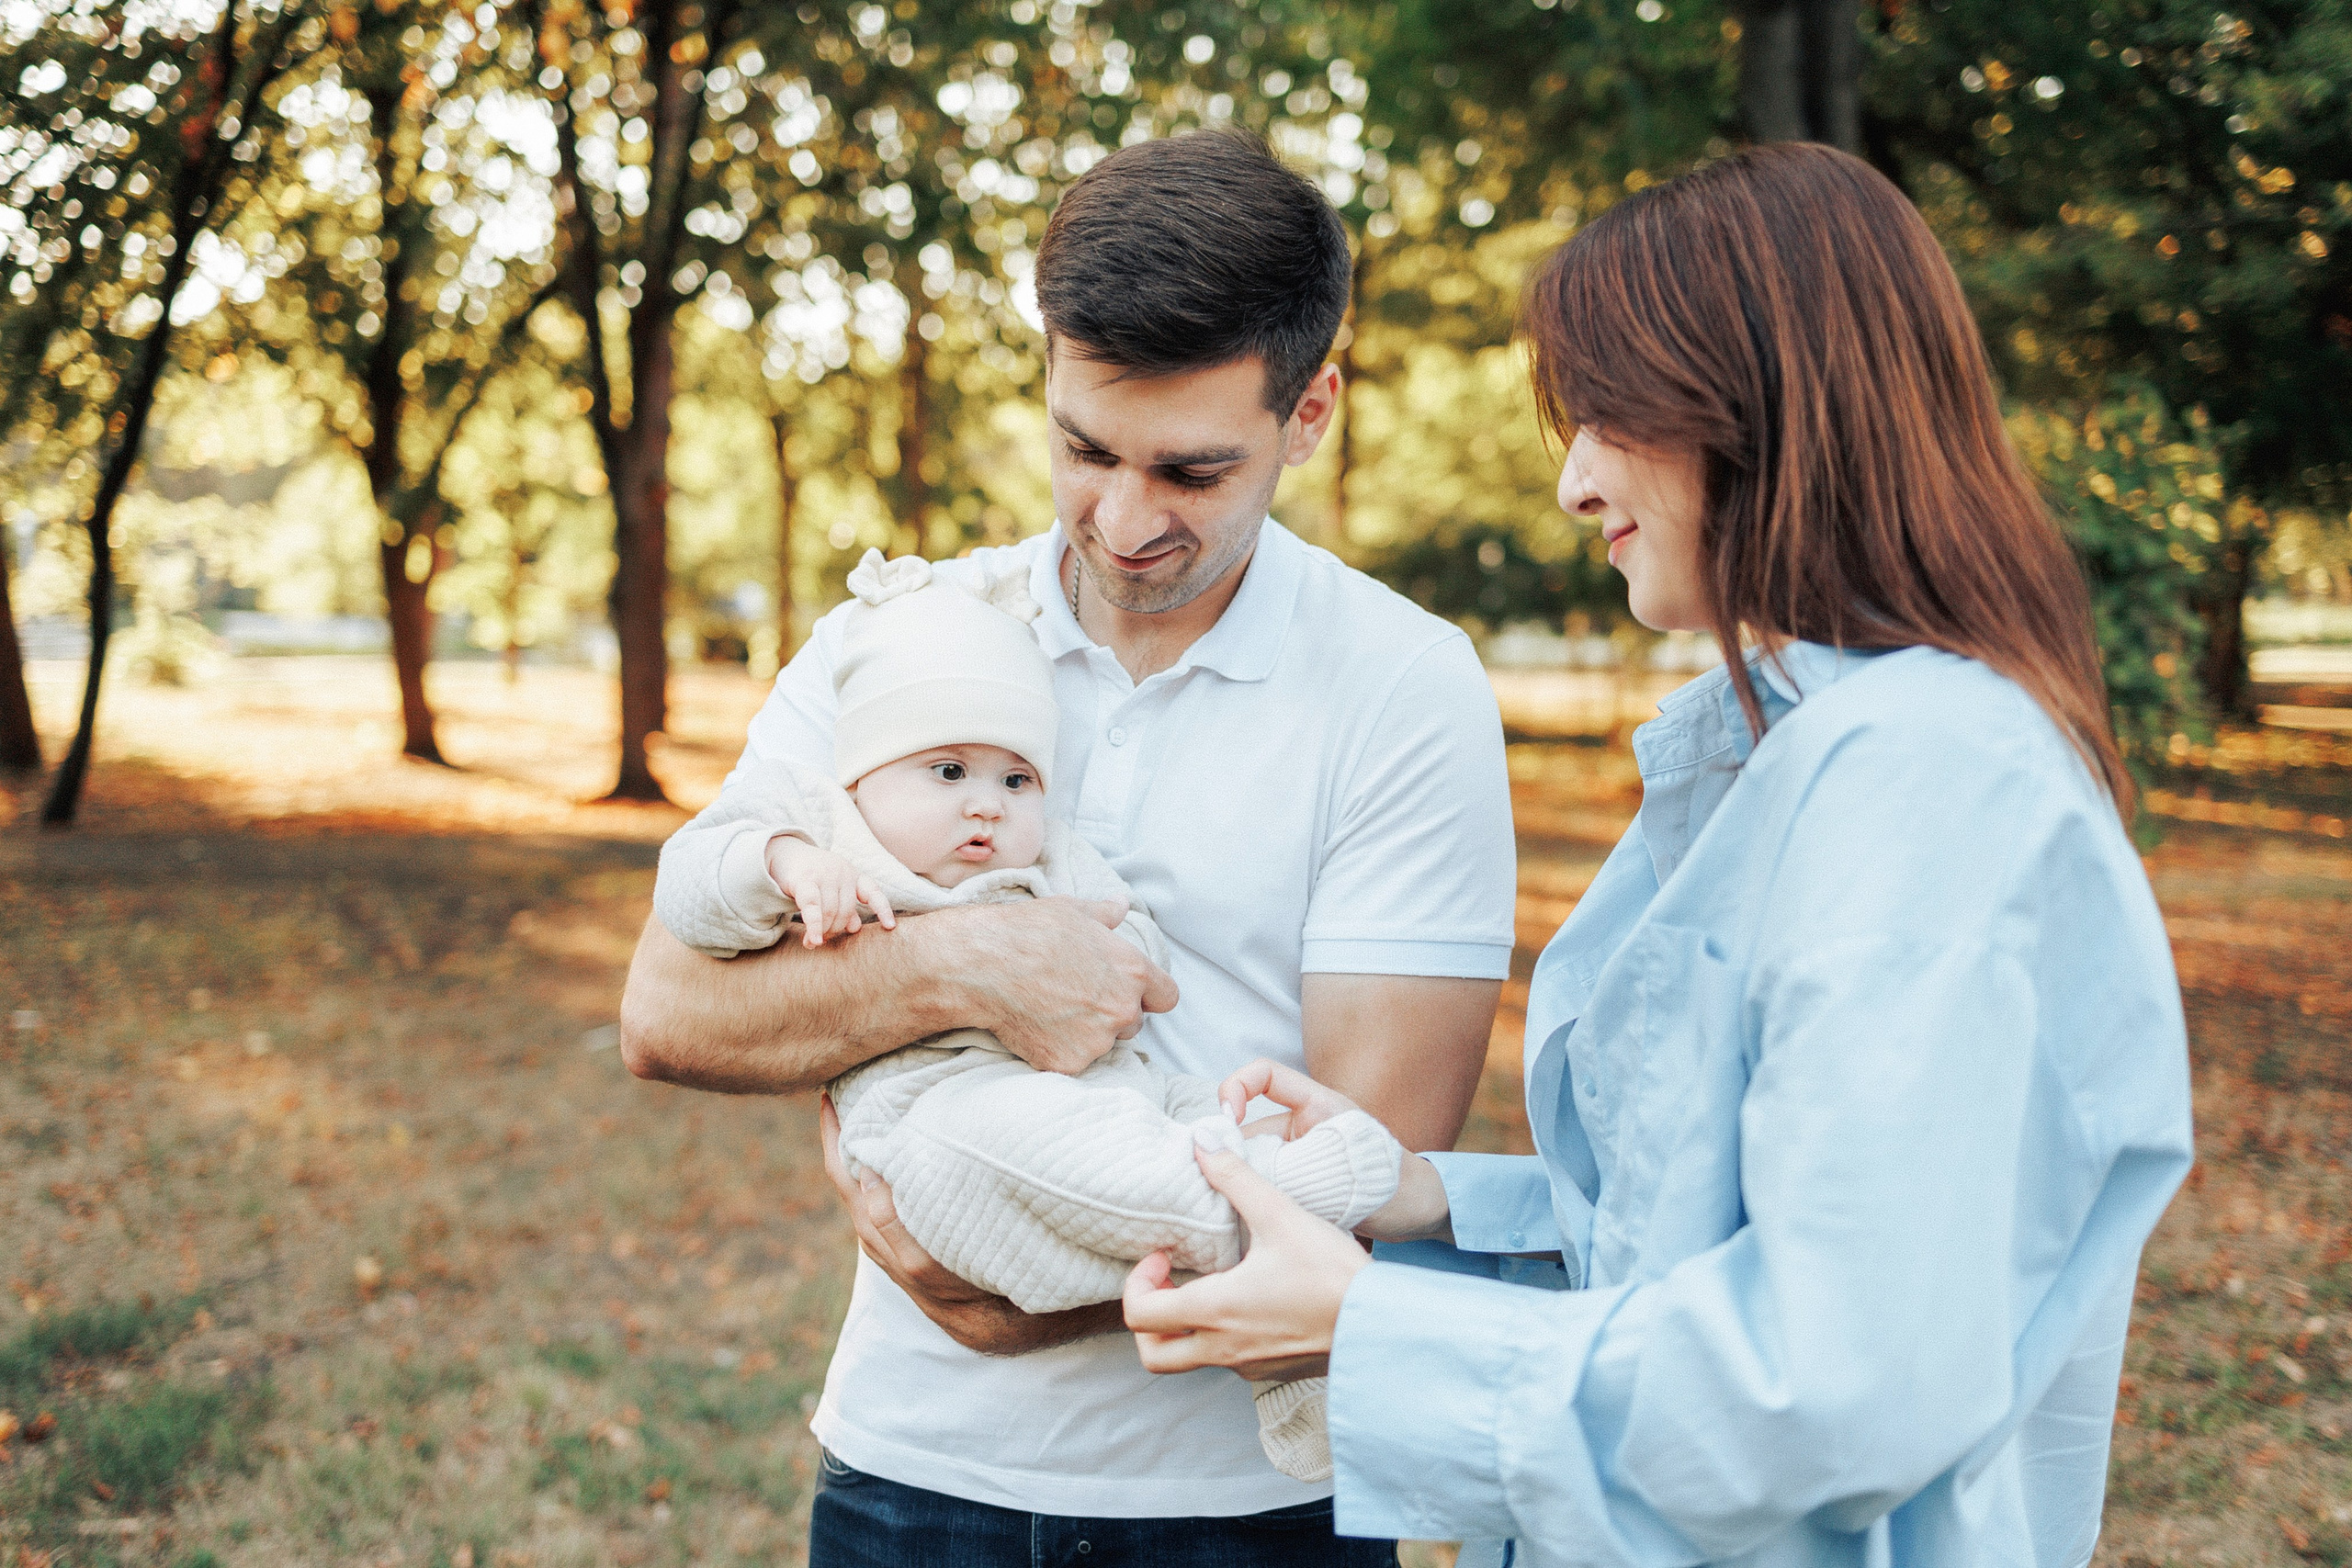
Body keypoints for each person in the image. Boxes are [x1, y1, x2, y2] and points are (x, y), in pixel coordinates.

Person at [1119, 142, 2196, 1568]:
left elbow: (1834, 1381)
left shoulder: (1926, 785)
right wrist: (1407, 1191)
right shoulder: (1786, 761)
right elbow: (1695, 1232)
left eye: (1607, 413)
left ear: (1758, 405)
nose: (1573, 482)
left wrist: (1374, 1322)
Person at [617, 128, 1517, 1566]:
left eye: (1191, 471)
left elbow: (1371, 1157)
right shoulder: (902, 634)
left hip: (1251, 1507)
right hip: (910, 1470)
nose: (1122, 517)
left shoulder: (1406, 686)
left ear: (1312, 411)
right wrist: (969, 967)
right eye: (1084, 448)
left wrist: (1020, 1278)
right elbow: (666, 1010)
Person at [649, 546, 1410, 1483]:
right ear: (863, 777)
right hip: (931, 1117)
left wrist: (1109, 957)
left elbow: (1141, 968)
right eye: (948, 772)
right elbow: (691, 883)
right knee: (992, 1138)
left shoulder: (1049, 859)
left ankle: (1263, 1196)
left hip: (1107, 1097)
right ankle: (1265, 1209)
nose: (986, 806)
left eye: (1015, 781)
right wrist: (781, 864)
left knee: (1187, 1107)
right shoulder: (820, 825)